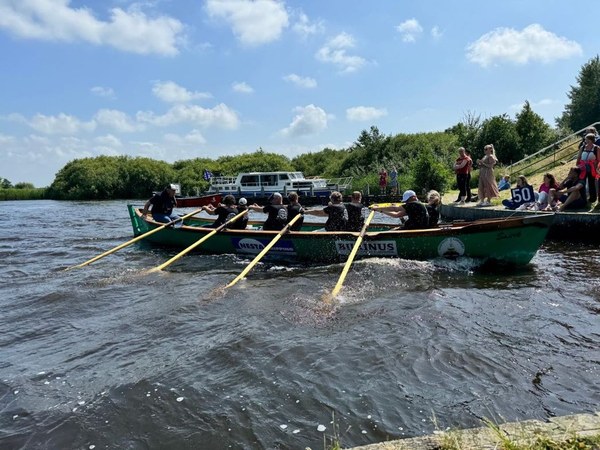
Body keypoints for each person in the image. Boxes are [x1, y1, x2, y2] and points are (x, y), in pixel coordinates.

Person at [575, 132, 599, 203]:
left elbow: (598, 159)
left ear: (592, 140)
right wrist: (577, 165)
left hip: (592, 168)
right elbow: (579, 157)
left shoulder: (596, 148)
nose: (586, 141)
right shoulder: (582, 147)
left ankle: (592, 199)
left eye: (588, 139)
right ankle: (582, 198)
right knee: (582, 183)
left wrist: (595, 166)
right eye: (586, 139)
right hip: (582, 168)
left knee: (591, 183)